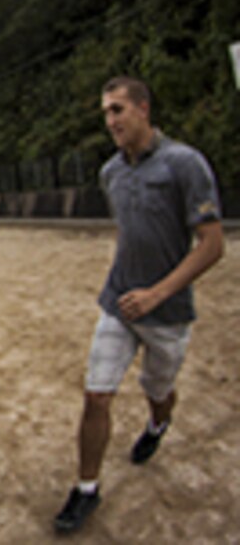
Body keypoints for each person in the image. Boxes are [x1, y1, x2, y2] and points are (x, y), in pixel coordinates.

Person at [53, 77, 225, 533]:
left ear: (143, 109)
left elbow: (211, 245)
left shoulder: (185, 164)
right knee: (96, 394)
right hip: (119, 304)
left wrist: (158, 293)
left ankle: (156, 425)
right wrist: (131, 288)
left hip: (167, 312)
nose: (110, 121)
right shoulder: (110, 172)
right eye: (106, 113)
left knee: (159, 391)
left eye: (117, 110)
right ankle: (86, 489)